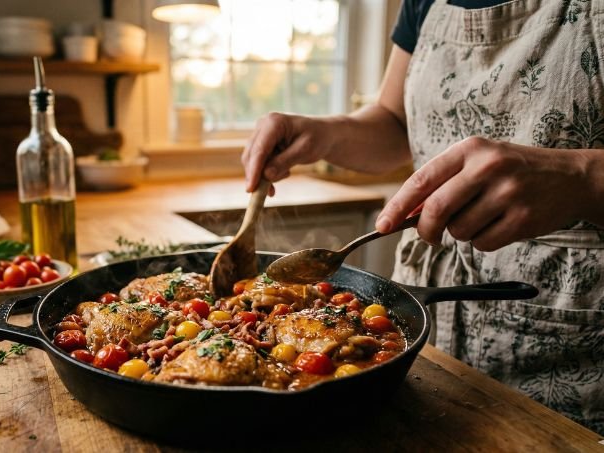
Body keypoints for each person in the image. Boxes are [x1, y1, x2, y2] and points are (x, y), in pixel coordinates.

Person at [241, 0, 604, 434]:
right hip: (429, 351)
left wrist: (581, 176)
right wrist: (324, 134)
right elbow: (397, 124)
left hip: (576, 346)